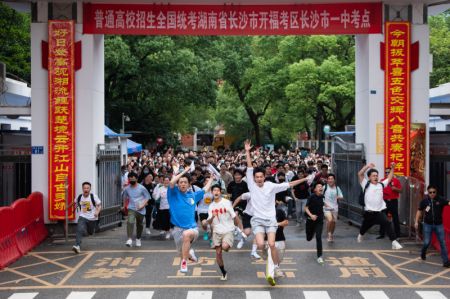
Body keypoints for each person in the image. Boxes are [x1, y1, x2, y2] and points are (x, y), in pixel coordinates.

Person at [244, 140, 311, 282]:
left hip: (270, 220)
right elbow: (249, 166)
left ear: (264, 177)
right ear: (254, 178)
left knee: (272, 244)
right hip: (257, 220)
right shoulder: (251, 185)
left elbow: (289, 184)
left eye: (261, 177)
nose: (259, 179)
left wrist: (305, 178)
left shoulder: (271, 186)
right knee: (261, 244)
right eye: (256, 177)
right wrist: (247, 151)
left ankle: (276, 267)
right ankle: (265, 254)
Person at [168, 165, 215, 273]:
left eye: (185, 182)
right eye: (180, 182)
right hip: (176, 229)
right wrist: (184, 171)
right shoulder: (173, 194)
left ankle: (184, 262)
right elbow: (171, 183)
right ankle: (190, 255)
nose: (183, 184)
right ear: (178, 184)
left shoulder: (193, 195)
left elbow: (205, 189)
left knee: (186, 235)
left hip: (192, 228)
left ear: (189, 184)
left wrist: (211, 179)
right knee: (181, 251)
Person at [357, 162, 403, 250]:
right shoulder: (365, 184)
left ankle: (394, 242)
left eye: (376, 175)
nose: (376, 177)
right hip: (369, 213)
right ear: (369, 177)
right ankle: (361, 234)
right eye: (373, 175)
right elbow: (360, 174)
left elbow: (389, 178)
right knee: (364, 227)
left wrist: (392, 168)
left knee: (388, 223)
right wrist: (367, 166)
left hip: (379, 212)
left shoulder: (381, 184)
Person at [205, 184, 244, 281]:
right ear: (212, 192)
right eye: (214, 190)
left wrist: (241, 227)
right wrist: (213, 217)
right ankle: (223, 272)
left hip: (228, 230)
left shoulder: (226, 203)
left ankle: (227, 243)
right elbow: (208, 222)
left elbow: (234, 216)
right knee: (218, 253)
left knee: (225, 246)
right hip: (217, 231)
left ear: (220, 192)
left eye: (218, 190)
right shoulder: (211, 206)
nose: (216, 192)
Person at [415, 185, 450, 268]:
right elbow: (419, 211)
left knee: (442, 243)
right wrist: (416, 221)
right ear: (428, 192)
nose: (432, 194)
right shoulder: (424, 201)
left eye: (434, 192)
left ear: (436, 192)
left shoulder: (440, 199)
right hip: (428, 225)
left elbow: (448, 203)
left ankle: (446, 262)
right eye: (430, 192)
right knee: (427, 242)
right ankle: (423, 252)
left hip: (439, 225)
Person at [122, 172, 151, 247]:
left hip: (141, 209)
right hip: (131, 208)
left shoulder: (142, 188)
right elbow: (125, 198)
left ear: (136, 179)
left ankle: (138, 238)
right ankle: (129, 239)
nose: (131, 179)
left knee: (140, 225)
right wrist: (124, 206)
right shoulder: (127, 189)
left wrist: (143, 205)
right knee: (130, 221)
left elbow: (147, 197)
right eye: (130, 178)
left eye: (133, 177)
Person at [72, 182, 101, 254]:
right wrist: (67, 208)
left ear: (90, 189)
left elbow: (99, 205)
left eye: (87, 188)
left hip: (92, 219)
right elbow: (73, 202)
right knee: (79, 228)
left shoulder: (93, 196)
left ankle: (86, 232)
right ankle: (77, 245)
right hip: (83, 216)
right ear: (82, 189)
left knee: (90, 232)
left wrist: (97, 212)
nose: (86, 189)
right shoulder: (79, 197)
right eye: (84, 188)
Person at [378, 168, 402, 239]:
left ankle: (397, 234)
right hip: (384, 201)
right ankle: (382, 234)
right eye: (386, 172)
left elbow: (401, 190)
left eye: (389, 172)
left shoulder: (396, 180)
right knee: (383, 217)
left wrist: (395, 189)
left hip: (393, 201)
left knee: (395, 218)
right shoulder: (382, 181)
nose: (387, 174)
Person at [305, 182, 326, 264]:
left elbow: (323, 204)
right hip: (310, 220)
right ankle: (312, 231)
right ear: (315, 189)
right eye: (319, 186)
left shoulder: (322, 197)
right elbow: (306, 208)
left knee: (318, 237)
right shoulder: (311, 197)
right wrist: (311, 215)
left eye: (321, 186)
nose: (321, 187)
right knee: (309, 238)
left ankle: (319, 256)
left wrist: (328, 206)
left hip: (319, 220)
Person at [323, 174, 344, 242]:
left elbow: (341, 196)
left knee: (334, 222)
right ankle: (329, 234)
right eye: (329, 179)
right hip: (326, 208)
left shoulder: (337, 188)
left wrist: (338, 197)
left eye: (332, 179)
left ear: (334, 180)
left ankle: (331, 234)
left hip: (335, 207)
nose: (330, 180)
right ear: (327, 180)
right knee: (330, 220)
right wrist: (324, 203)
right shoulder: (324, 187)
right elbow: (320, 196)